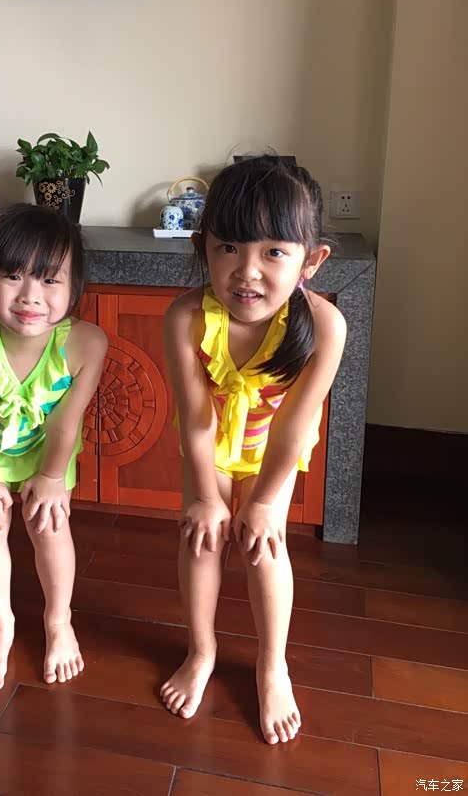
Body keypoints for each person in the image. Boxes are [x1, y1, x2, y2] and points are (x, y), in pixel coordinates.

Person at [159, 156, 346, 744]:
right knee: (202, 537)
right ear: (203, 249)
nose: (247, 271)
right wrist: (208, 497)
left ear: (311, 261)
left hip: (273, 447)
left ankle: (272, 666)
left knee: (264, 547)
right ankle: (201, 651)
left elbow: (293, 429)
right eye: (229, 247)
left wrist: (262, 504)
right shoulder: (185, 317)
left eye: (274, 252)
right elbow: (195, 420)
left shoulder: (325, 326)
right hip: (209, 442)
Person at [0, 203, 107, 692]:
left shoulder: (87, 343)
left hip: (49, 450)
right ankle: (0, 627)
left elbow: (66, 422)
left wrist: (52, 478)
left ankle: (59, 622)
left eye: (50, 280)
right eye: (13, 276)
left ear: (74, 288)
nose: (31, 296)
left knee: (49, 528)